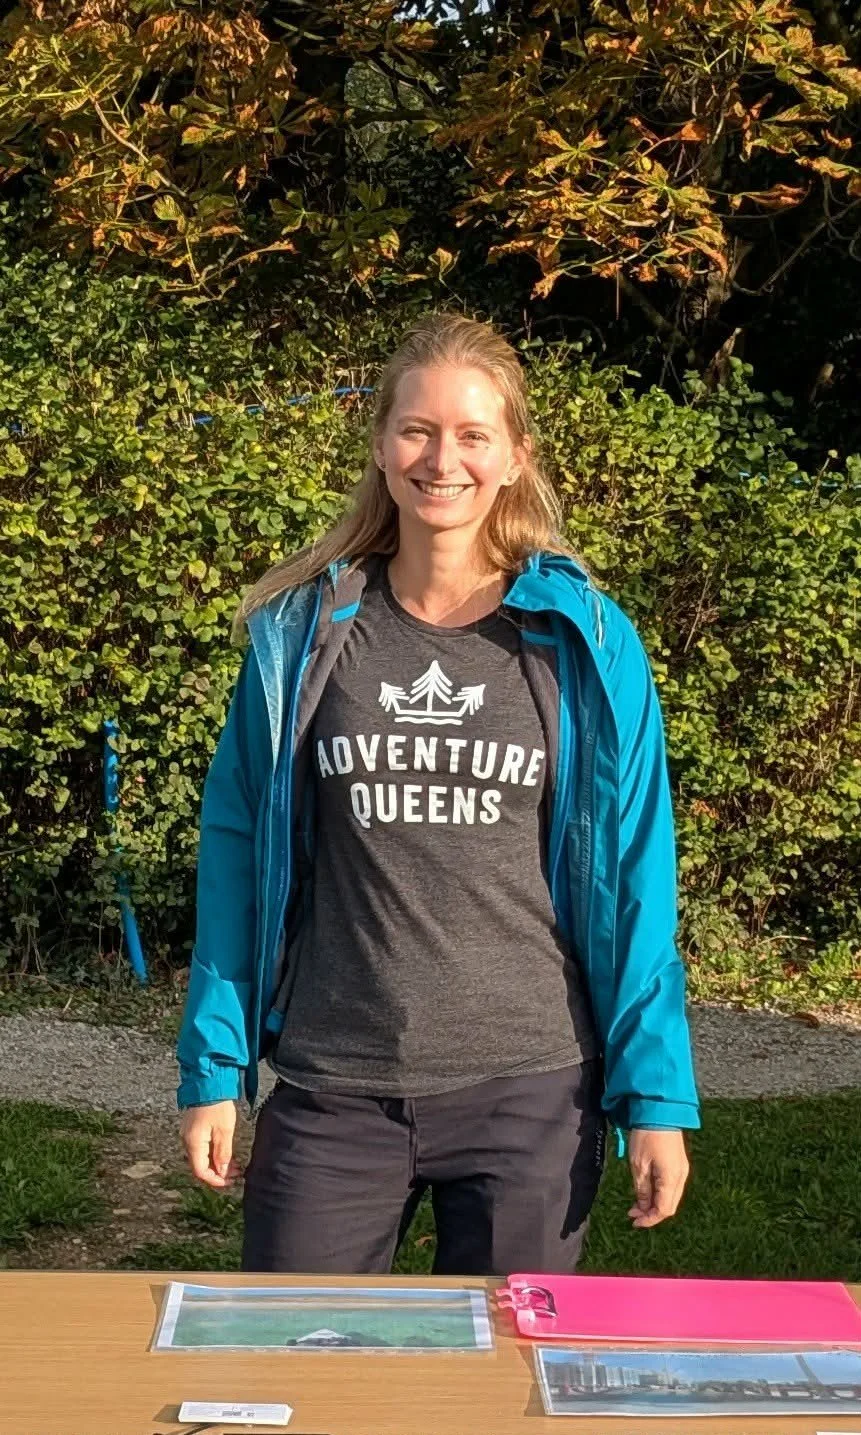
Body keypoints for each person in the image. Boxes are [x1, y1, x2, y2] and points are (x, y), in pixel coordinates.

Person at [177, 311, 700, 1276]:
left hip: (531, 1092)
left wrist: (655, 1098)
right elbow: (239, 849)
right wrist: (214, 1067)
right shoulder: (303, 638)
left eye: (471, 434)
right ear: (380, 446)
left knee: (502, 1403)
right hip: (335, 1088)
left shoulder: (584, 638)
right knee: (297, 1386)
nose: (440, 458)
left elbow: (633, 874)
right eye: (417, 430)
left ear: (513, 456)